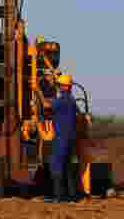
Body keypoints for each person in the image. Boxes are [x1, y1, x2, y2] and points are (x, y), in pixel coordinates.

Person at [45, 72, 78, 203]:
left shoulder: (61, 100)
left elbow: (48, 107)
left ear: (64, 86)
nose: (58, 87)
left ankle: (58, 197)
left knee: (56, 166)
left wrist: (38, 94)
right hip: (70, 139)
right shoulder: (72, 100)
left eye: (59, 85)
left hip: (61, 139)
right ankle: (72, 197)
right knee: (68, 167)